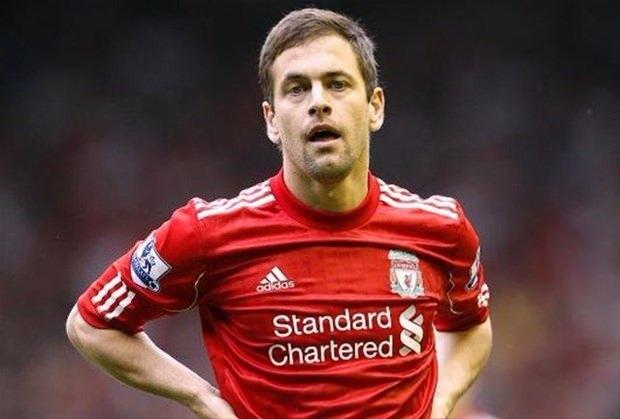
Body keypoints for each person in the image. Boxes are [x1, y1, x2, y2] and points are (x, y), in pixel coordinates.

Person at [66, 8, 492, 419]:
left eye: (337, 84)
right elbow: (91, 324)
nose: (318, 102)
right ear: (271, 120)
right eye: (297, 88)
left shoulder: (441, 228)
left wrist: (441, 403)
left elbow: (471, 324)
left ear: (374, 106)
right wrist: (200, 398)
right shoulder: (208, 233)